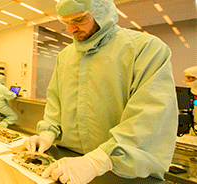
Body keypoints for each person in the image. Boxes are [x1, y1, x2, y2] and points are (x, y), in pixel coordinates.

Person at [24, 0, 178, 183]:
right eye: (66, 23)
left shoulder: (146, 49)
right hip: (69, 163)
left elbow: (149, 117)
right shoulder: (65, 56)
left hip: (123, 171)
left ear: (102, 12)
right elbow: (56, 102)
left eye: (80, 19)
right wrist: (47, 134)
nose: (72, 29)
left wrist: (98, 160)